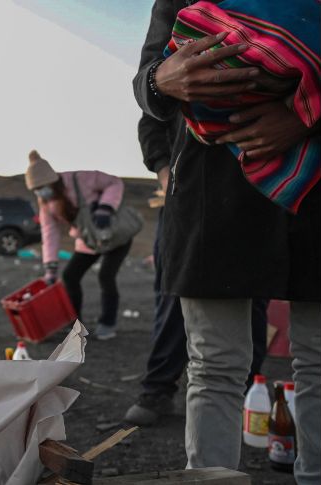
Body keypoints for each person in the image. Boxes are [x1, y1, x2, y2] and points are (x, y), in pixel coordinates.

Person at [133, 1, 320, 482]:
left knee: (319, 359)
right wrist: (163, 80)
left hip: (313, 180)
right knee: (215, 365)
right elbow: (146, 81)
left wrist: (304, 117)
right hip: (212, 188)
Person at [123, 112, 270, 426]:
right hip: (186, 195)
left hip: (258, 192)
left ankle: (247, 393)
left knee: (254, 297)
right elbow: (152, 118)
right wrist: (166, 173)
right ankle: (158, 388)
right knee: (174, 292)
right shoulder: (168, 68)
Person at [24, 149, 131, 341]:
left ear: (53, 180)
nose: (41, 192)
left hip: (113, 234)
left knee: (106, 275)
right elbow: (50, 233)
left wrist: (105, 208)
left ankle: (107, 323)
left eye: (43, 187)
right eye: (37, 190)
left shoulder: (80, 179)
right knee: (70, 276)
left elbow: (114, 182)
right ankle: (75, 324)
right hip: (88, 240)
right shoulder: (46, 203)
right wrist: (50, 268)